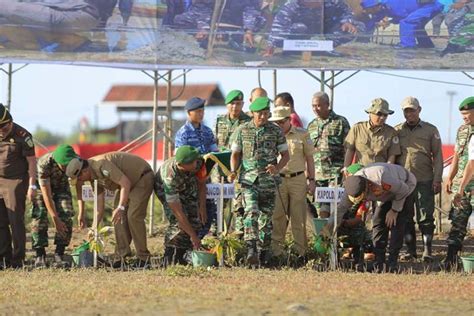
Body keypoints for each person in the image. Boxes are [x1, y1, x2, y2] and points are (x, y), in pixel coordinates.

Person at [229, 97, 289, 266]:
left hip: (268, 181)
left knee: (266, 219)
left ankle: (264, 254)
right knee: (251, 211)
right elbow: (235, 154)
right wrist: (234, 171)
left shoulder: (275, 131)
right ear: (252, 113)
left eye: (265, 113)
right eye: (259, 114)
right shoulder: (242, 130)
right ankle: (251, 249)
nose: (263, 117)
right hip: (249, 180)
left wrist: (277, 168)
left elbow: (286, 155)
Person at [65, 152, 154, 268]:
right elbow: (99, 206)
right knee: (117, 217)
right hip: (128, 185)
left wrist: (121, 207)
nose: (80, 182)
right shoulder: (93, 179)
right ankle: (121, 257)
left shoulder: (101, 165)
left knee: (133, 216)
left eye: (79, 178)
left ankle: (144, 259)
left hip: (142, 178)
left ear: (84, 171)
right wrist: (93, 229)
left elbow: (125, 183)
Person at [327, 163, 417, 272]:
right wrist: (326, 230)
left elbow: (403, 189)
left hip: (405, 188)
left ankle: (392, 263)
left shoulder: (381, 178)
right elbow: (340, 210)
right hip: (385, 195)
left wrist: (394, 210)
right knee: (378, 222)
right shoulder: (352, 185)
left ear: (367, 187)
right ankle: (379, 263)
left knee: (395, 223)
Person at [394, 97, 443, 262]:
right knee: (406, 217)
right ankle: (410, 251)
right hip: (404, 182)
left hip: (424, 180)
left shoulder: (430, 130)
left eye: (412, 110)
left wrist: (437, 179)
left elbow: (437, 156)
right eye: (406, 110)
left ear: (419, 110)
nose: (409, 113)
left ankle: (427, 251)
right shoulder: (397, 130)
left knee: (426, 217)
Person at [269, 106, 315, 266]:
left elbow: (309, 158)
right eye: (275, 122)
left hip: (298, 179)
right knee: (278, 217)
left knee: (298, 217)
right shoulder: (271, 135)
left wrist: (312, 180)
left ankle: (300, 254)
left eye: (281, 122)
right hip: (279, 179)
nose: (278, 125)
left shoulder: (302, 134)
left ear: (289, 120)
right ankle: (276, 253)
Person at [154, 145, 207, 266]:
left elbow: (202, 182)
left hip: (188, 182)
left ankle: (184, 254)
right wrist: (193, 236)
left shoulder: (198, 161)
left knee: (195, 219)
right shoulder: (170, 177)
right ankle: (171, 255)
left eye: (196, 160)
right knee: (178, 223)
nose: (196, 164)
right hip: (165, 188)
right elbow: (178, 213)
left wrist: (201, 206)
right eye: (192, 162)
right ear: (182, 164)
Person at [175, 97, 218, 237]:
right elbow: (180, 158)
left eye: (202, 111)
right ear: (189, 113)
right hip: (189, 180)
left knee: (209, 210)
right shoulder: (183, 133)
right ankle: (190, 243)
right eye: (198, 111)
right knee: (193, 213)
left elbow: (214, 152)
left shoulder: (207, 131)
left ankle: (199, 240)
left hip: (205, 177)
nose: (201, 114)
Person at [0, 103, 36, 269]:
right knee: (1, 222)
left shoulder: (23, 135)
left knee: (16, 221)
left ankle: (18, 259)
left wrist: (32, 186)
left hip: (16, 182)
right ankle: (3, 258)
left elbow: (31, 162)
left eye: (3, 127)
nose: (1, 130)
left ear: (10, 121)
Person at [31, 144, 79, 268]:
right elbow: (47, 195)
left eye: (68, 164)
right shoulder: (44, 164)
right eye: (63, 165)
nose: (66, 168)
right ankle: (40, 254)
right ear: (57, 161)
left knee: (67, 213)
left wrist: (82, 211)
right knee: (39, 215)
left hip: (61, 187)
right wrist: (55, 218)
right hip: (42, 188)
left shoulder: (76, 160)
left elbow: (79, 182)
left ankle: (59, 254)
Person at [263, 0, 365, 57]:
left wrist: (347, 21)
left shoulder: (334, 1)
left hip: (327, 32)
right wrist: (272, 45)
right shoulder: (291, 4)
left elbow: (346, 11)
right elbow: (279, 26)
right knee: (299, 27)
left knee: (359, 26)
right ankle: (297, 50)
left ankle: (327, 48)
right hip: (302, 34)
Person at [214, 90, 251, 236]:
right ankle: (217, 233)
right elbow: (215, 142)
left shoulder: (247, 122)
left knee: (239, 204)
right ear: (226, 105)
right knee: (219, 203)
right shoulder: (219, 120)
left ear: (243, 104)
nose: (235, 107)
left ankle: (239, 234)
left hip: (240, 169)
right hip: (221, 169)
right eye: (232, 104)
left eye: (238, 104)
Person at [307, 91, 350, 218]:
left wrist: (346, 171)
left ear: (327, 105)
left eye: (319, 105)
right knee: (321, 212)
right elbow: (308, 153)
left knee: (335, 210)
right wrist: (309, 177)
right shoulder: (312, 125)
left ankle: (336, 237)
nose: (316, 109)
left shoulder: (341, 122)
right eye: (313, 106)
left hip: (335, 174)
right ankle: (323, 236)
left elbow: (349, 148)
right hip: (318, 177)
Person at [444, 96, 474, 270]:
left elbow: (472, 163)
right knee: (458, 221)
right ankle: (451, 260)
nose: (464, 118)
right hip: (461, 182)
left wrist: (460, 188)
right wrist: (450, 176)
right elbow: (457, 154)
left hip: (467, 184)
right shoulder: (462, 130)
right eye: (462, 115)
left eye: (467, 114)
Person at [172, 0, 265, 51]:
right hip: (209, 21)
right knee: (181, 19)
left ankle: (236, 39)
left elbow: (251, 9)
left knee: (260, 21)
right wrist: (202, 27)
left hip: (235, 22)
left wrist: (249, 29)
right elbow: (201, 8)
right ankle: (203, 38)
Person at [343, 98, 401, 171]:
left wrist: (387, 171)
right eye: (379, 114)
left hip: (380, 174)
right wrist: (346, 168)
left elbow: (392, 156)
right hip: (360, 172)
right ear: (370, 113)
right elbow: (350, 150)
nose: (382, 118)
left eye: (385, 115)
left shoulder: (391, 132)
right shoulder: (357, 128)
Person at [360, 0, 444, 49]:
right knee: (417, 25)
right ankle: (426, 45)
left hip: (429, 6)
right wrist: (362, 37)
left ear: (375, 6)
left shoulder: (390, 3)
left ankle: (407, 46)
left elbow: (402, 17)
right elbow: (373, 21)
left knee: (407, 22)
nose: (364, 11)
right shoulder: (381, 8)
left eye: (367, 9)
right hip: (419, 8)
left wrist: (390, 21)